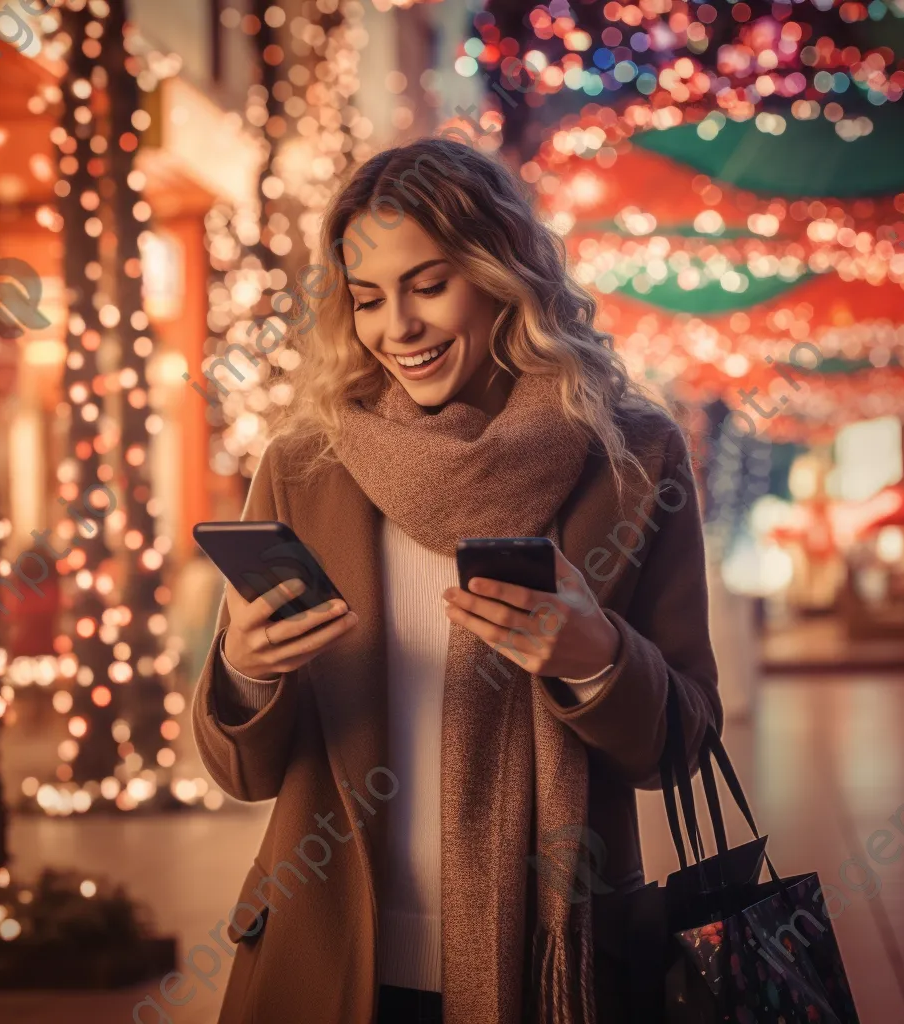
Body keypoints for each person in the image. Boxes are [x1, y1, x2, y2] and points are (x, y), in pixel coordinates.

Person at [192, 136, 722, 1024]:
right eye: (367, 299)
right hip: (328, 967)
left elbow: (681, 745)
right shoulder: (305, 466)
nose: (397, 327)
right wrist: (248, 670)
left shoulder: (634, 458)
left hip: (559, 966)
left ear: (502, 273)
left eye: (428, 285)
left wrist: (596, 657)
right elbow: (243, 774)